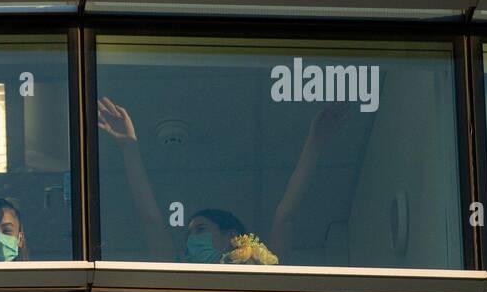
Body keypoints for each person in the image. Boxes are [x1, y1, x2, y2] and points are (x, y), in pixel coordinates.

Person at [95, 95, 347, 264]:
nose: (193, 239)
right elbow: (151, 221)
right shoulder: (181, 277)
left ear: (232, 236)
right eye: (189, 235)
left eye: (201, 230)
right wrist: (128, 147)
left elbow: (285, 217)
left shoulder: (260, 274)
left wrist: (316, 142)